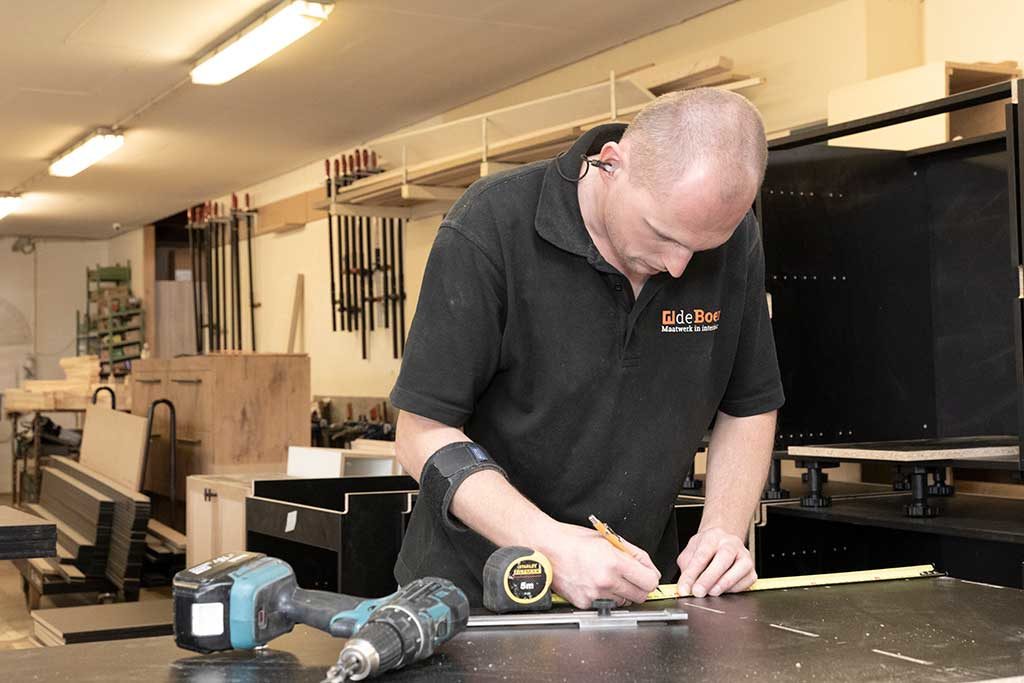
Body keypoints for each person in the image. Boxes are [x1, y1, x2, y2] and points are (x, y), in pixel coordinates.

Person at [389, 88, 784, 608]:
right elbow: (420, 434)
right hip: (470, 595)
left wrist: (723, 532)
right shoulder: (491, 225)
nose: (679, 266)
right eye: (662, 234)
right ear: (611, 165)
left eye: (702, 247)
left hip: (635, 597)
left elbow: (749, 404)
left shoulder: (735, 242)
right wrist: (550, 544)